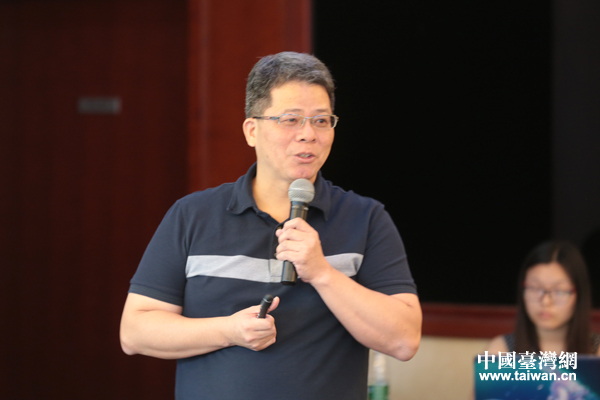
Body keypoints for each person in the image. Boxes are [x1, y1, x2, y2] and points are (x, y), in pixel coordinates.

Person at [119, 51, 422, 400]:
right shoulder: (192, 215)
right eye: (291, 119)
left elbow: (404, 340)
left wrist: (322, 273)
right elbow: (135, 332)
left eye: (321, 120)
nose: (308, 134)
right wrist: (229, 331)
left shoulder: (365, 219)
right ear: (252, 130)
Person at [487, 240, 600, 355]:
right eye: (535, 288)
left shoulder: (596, 351)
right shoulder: (501, 350)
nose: (546, 301)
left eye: (559, 291)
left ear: (579, 294)